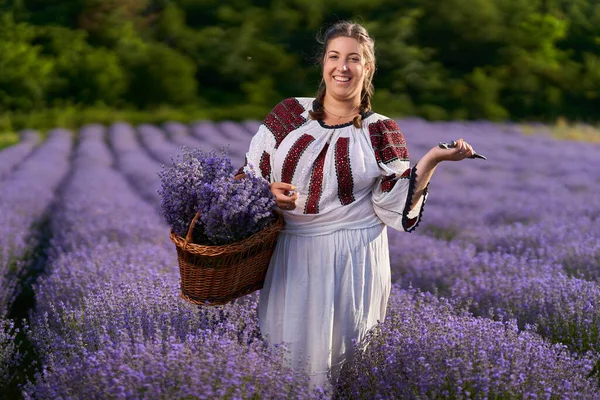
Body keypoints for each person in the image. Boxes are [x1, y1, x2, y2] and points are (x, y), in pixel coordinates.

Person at [238, 20, 475, 390]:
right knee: (284, 358)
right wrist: (265, 192)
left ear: (368, 68)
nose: (342, 67)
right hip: (291, 254)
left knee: (344, 367)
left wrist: (431, 161)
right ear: (323, 64)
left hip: (353, 260)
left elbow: (391, 204)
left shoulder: (381, 130)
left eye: (353, 59)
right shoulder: (287, 115)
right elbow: (247, 176)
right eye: (334, 57)